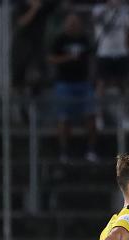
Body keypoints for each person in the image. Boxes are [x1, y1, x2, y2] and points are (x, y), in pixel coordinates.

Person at [48, 12, 98, 163]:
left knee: (90, 116)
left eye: (75, 23)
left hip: (83, 82)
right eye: (70, 23)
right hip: (64, 83)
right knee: (64, 118)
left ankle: (91, 150)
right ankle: (64, 151)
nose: (73, 26)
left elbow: (91, 56)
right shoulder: (60, 40)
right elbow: (51, 58)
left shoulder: (84, 39)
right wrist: (68, 58)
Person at [92, 0, 129, 131]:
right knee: (101, 85)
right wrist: (109, 8)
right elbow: (96, 20)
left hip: (121, 52)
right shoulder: (98, 9)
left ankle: (123, 116)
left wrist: (128, 49)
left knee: (121, 85)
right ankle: (99, 117)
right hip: (104, 52)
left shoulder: (125, 10)